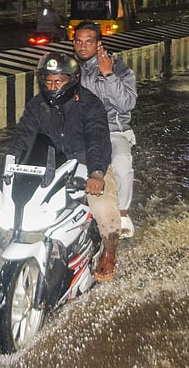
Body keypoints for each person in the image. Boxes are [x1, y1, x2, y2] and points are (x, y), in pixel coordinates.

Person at [7, 51, 121, 281]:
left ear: (72, 79)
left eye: (58, 81)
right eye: (48, 81)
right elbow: (23, 137)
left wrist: (97, 173)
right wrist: (8, 168)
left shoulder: (90, 104)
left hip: (86, 164)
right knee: (13, 203)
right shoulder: (37, 105)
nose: (52, 86)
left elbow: (98, 139)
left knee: (103, 206)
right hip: (52, 165)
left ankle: (109, 252)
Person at [71, 20, 139, 239]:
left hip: (113, 130)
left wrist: (108, 75)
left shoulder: (119, 69)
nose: (83, 47)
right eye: (78, 42)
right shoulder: (71, 69)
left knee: (121, 162)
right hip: (81, 131)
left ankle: (123, 212)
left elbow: (127, 104)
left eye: (88, 42)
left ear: (99, 44)